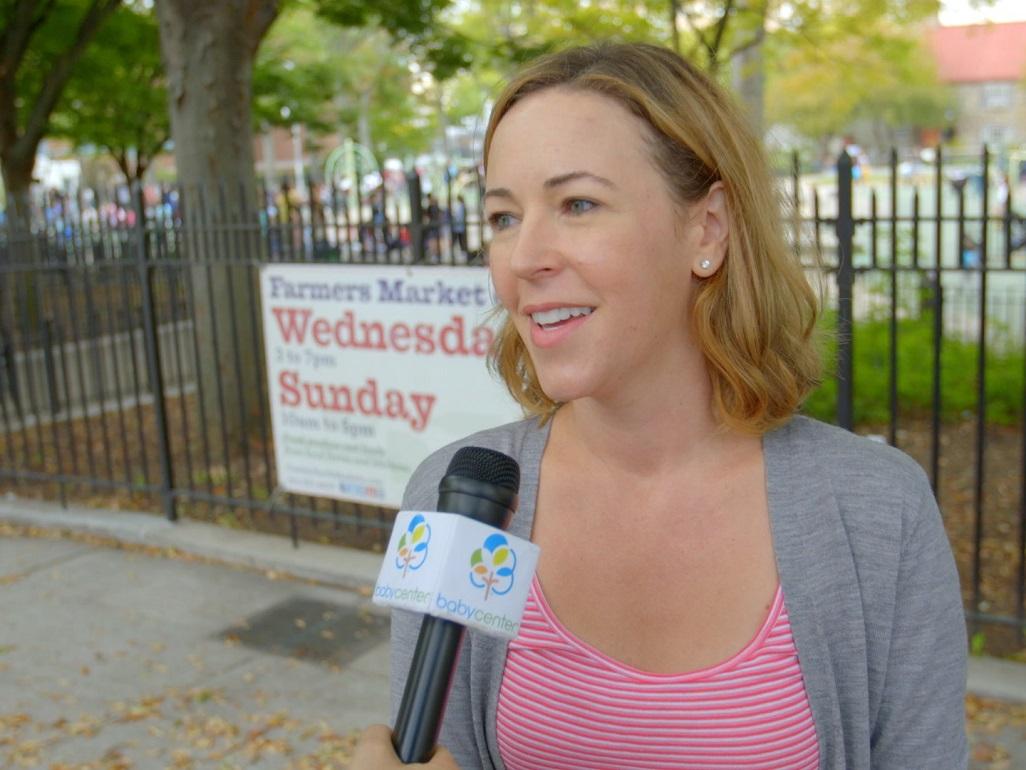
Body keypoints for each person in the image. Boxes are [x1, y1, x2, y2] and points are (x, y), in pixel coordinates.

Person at [352, 42, 967, 769]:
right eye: (502, 217)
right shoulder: (457, 498)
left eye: (577, 204)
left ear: (706, 229)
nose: (523, 257)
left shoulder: (875, 514)